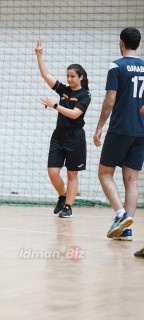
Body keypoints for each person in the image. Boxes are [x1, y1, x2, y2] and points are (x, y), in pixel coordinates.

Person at [93, 27, 144, 248]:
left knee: (104, 174)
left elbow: (110, 98)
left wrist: (100, 126)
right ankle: (127, 229)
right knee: (131, 179)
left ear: (121, 42)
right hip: (141, 130)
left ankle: (121, 215)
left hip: (120, 128)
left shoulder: (117, 66)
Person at [35, 39, 92, 218]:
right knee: (52, 172)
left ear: (81, 77)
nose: (69, 79)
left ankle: (68, 207)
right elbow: (47, 76)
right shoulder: (64, 90)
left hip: (75, 138)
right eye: (67, 76)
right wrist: (39, 56)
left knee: (72, 174)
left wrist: (55, 106)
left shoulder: (85, 95)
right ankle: (62, 196)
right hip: (58, 136)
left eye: (72, 76)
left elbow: (75, 114)